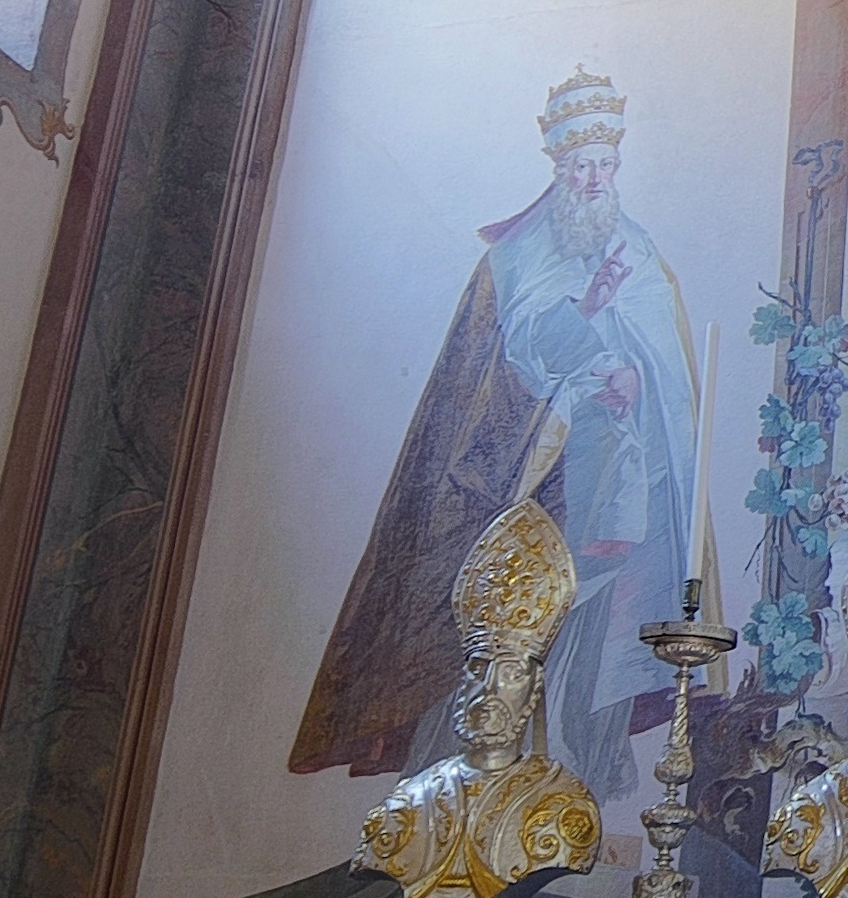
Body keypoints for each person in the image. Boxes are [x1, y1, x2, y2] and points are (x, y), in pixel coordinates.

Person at [292, 67, 703, 809]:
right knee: (508, 617)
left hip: (611, 476)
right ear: (557, 166)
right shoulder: (516, 255)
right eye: (580, 165)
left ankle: (571, 779)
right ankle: (463, 785)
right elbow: (516, 356)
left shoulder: (638, 251)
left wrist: (630, 377)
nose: (592, 179)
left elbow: (663, 363)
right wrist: (588, 330)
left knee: (589, 625)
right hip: (522, 477)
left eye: (604, 165)